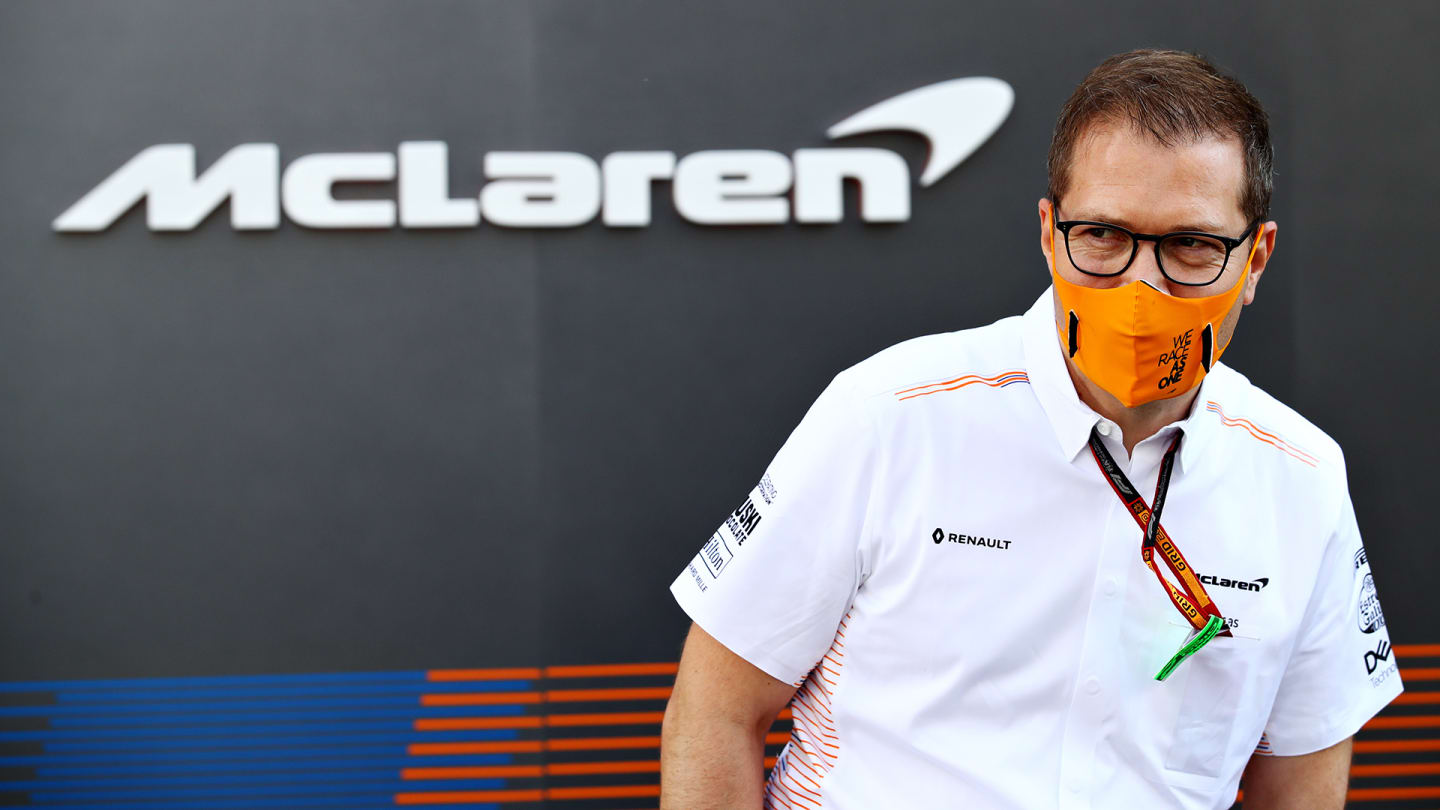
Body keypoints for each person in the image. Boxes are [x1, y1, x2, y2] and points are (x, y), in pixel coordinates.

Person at [659, 49, 1403, 810]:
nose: (1141, 286)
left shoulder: (1303, 480)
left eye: (1191, 246)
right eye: (1104, 236)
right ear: (1050, 233)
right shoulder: (891, 414)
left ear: (1256, 260)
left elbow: (1301, 784)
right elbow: (716, 711)